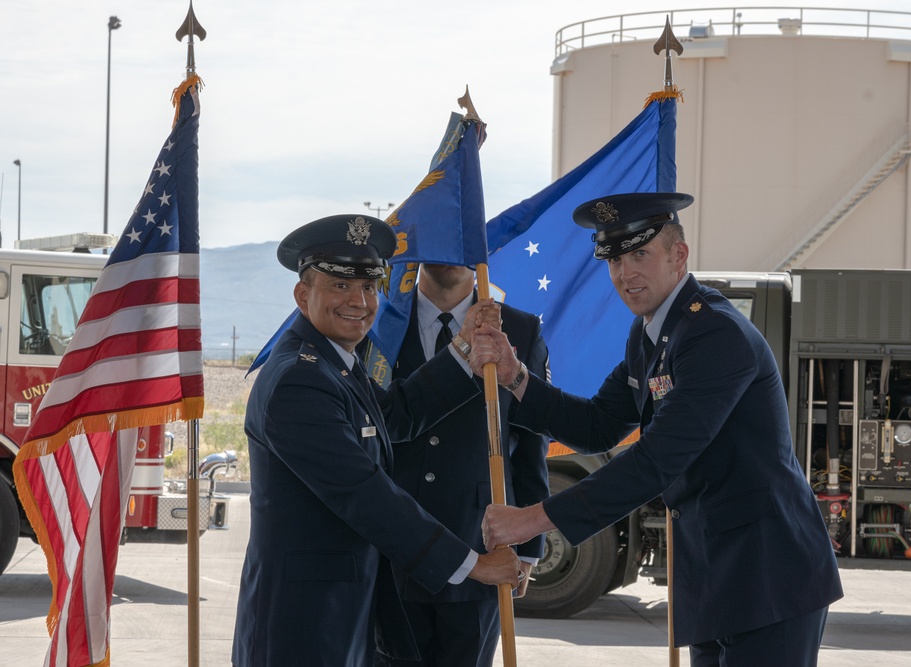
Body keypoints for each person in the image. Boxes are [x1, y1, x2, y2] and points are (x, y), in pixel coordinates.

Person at [479, 193, 844, 666]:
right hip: (714, 571)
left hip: (766, 573)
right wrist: (516, 377)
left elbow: (658, 459)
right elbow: (598, 425)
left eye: (639, 255)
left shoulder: (714, 334)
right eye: (614, 260)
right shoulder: (651, 333)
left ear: (678, 255)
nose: (625, 273)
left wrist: (534, 519)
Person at [232, 214, 522, 667]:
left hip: (342, 617)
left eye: (368, 287)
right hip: (303, 626)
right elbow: (364, 492)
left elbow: (396, 415)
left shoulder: (338, 366)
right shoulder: (298, 381)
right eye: (340, 286)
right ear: (303, 294)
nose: (359, 301)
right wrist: (471, 564)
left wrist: (464, 346)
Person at [371, 263, 550, 667]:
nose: (449, 254)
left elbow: (529, 441)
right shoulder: (381, 322)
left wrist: (528, 549)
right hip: (393, 550)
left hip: (482, 543)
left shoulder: (520, 329)